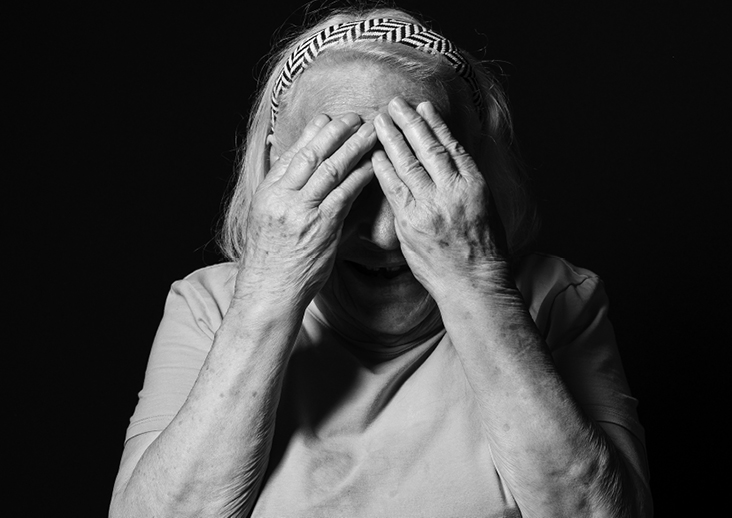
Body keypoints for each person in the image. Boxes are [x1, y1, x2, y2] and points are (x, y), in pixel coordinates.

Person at [110, 6, 652, 517]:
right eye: (341, 172)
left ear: (471, 165)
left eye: (415, 169)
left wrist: (477, 284)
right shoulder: (209, 305)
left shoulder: (559, 296)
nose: (385, 235)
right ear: (279, 161)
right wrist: (269, 291)